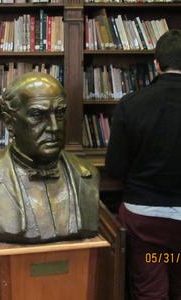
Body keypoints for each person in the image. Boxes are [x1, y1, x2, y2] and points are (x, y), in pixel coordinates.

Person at [0, 72, 99, 244]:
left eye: (59, 114)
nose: (54, 127)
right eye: (38, 115)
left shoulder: (88, 174)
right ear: (9, 122)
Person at [105, 29, 181, 300]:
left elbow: (114, 167)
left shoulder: (131, 105)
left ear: (156, 64)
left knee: (151, 289)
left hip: (145, 220)